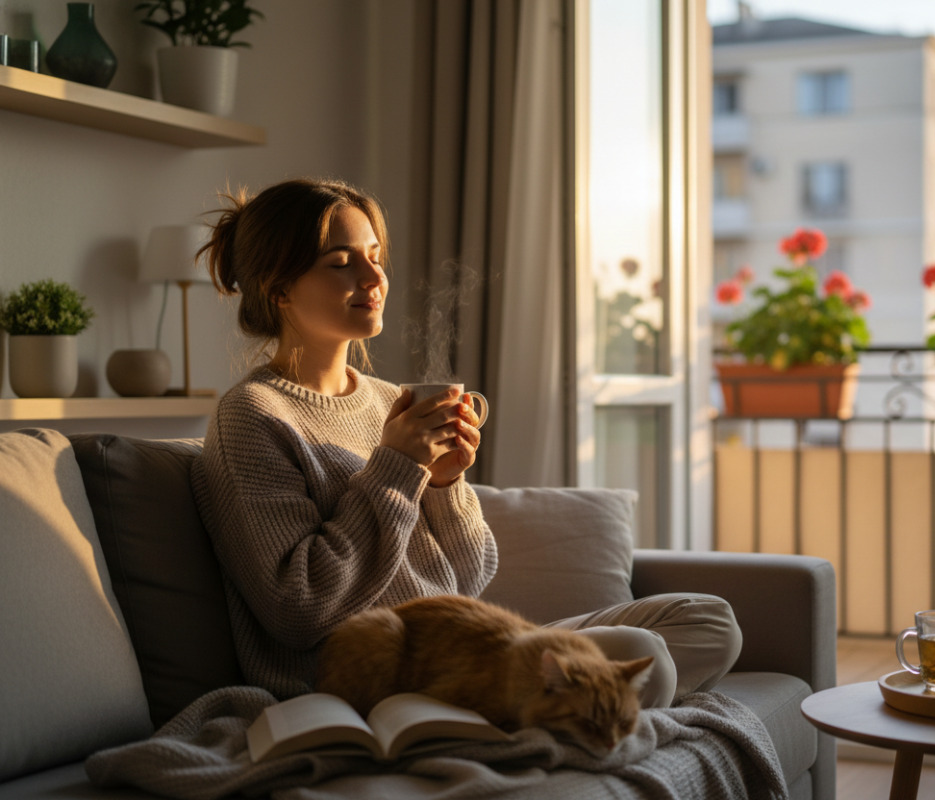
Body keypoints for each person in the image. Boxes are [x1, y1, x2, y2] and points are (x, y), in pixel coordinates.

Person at [191, 177, 741, 707]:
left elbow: (472, 574)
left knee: (707, 620)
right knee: (643, 655)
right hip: (385, 670)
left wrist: (446, 484)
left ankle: (534, 711)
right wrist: (396, 468)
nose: (374, 277)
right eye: (341, 263)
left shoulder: (390, 401)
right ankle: (548, 715)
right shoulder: (254, 416)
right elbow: (300, 608)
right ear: (280, 288)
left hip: (467, 650)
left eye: (376, 256)